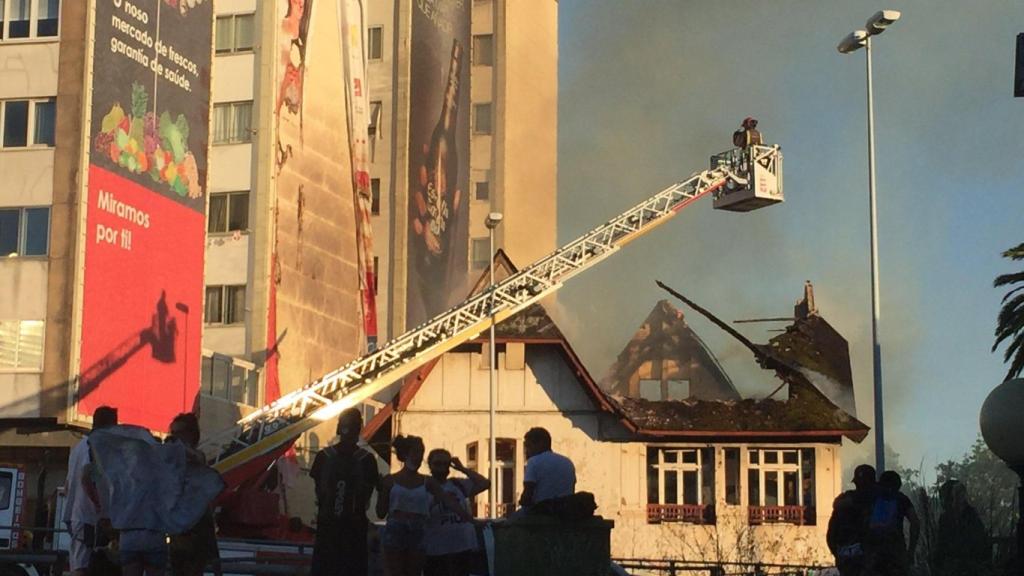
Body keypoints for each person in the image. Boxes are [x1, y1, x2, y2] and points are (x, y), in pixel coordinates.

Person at [377, 436, 472, 576]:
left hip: (418, 529)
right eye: (415, 452)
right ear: (405, 454)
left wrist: (469, 519)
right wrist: (381, 491)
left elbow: (449, 501)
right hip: (396, 529)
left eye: (421, 452)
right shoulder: (390, 480)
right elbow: (380, 512)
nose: (419, 457)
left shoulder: (427, 482)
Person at [309, 408, 381, 576]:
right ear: (359, 429)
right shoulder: (366, 459)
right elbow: (367, 496)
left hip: (328, 527)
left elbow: (319, 492)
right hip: (353, 530)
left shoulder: (324, 456)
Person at [63, 405, 117, 576]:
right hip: (89, 517)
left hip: (77, 514)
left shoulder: (78, 447)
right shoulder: (94, 446)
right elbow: (87, 477)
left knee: (80, 564)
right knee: (86, 566)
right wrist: (99, 506)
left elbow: (68, 484)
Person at [167, 413, 222, 576]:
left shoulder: (196, 456)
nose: (175, 437)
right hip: (179, 525)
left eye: (179, 433)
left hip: (198, 524)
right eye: (173, 433)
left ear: (191, 434)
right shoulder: (171, 460)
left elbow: (198, 459)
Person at [423, 449, 490, 576]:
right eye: (437, 464)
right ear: (430, 465)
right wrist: (435, 501)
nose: (442, 468)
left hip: (462, 546)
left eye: (445, 463)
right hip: (436, 549)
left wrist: (462, 468)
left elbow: (484, 483)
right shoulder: (424, 487)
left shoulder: (457, 484)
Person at [865, 470, 920, 576]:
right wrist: (911, 551)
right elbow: (915, 523)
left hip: (874, 553)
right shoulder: (902, 499)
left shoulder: (872, 498)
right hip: (896, 552)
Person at [826, 464, 876, 576]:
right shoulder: (877, 501)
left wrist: (837, 553)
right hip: (867, 557)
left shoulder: (843, 502)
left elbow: (831, 534)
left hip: (846, 555)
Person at [934, 479, 991, 576]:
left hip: (970, 565)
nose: (943, 502)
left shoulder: (972, 516)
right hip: (951, 565)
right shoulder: (944, 518)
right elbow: (941, 544)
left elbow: (978, 545)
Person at [518, 428, 575, 511]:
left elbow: (527, 494)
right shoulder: (567, 462)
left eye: (529, 446)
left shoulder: (533, 462)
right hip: (565, 513)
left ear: (540, 444)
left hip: (541, 512)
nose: (527, 451)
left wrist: (522, 502)